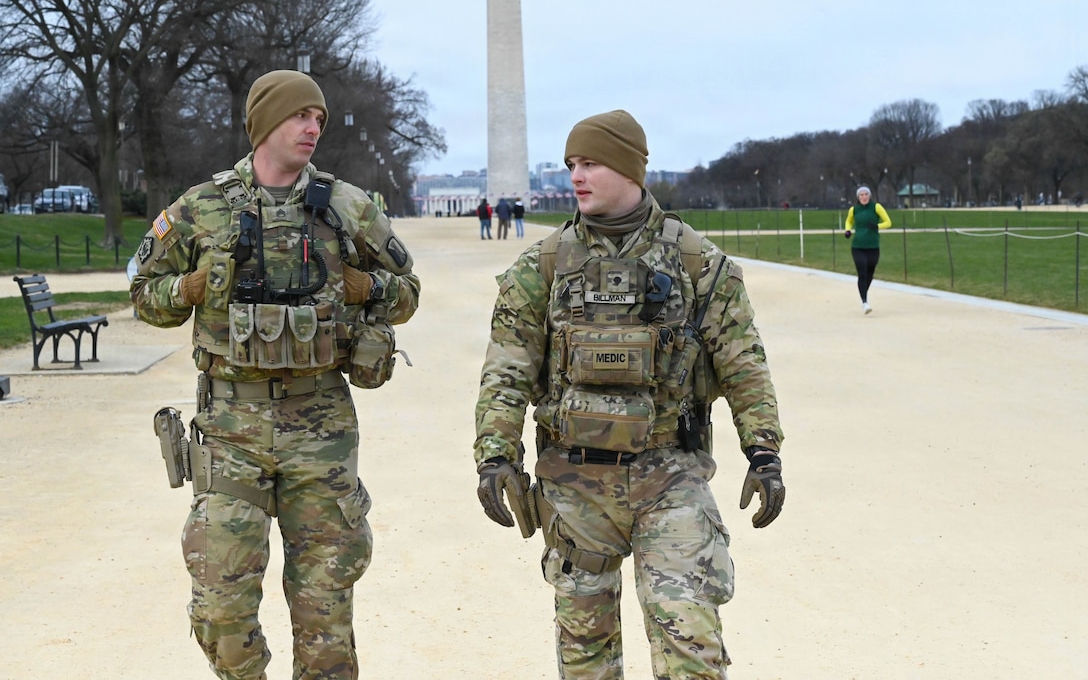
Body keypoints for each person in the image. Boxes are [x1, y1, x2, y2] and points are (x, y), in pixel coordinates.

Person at [473, 109, 786, 679]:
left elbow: (744, 366)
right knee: (585, 657)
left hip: (671, 477)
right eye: (571, 164)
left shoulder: (699, 264)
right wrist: (495, 456)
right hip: (573, 488)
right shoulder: (541, 268)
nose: (576, 175)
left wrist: (764, 453)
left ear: (628, 166)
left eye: (590, 162)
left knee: (692, 649)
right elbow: (506, 371)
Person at [130, 69, 421, 680]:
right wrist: (188, 286)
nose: (313, 127)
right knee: (218, 603)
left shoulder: (348, 206)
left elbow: (408, 293)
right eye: (299, 116)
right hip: (230, 427)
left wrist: (365, 286)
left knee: (326, 610)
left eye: (318, 117)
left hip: (322, 430)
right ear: (264, 124)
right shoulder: (201, 207)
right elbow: (143, 294)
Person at [843, 184, 891, 314]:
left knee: (870, 273)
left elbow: (888, 222)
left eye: (866, 194)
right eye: (861, 195)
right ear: (858, 197)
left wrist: (876, 226)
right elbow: (849, 221)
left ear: (870, 196)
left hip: (873, 246)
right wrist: (848, 230)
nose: (864, 197)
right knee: (862, 272)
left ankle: (864, 292)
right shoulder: (854, 209)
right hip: (858, 246)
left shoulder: (876, 207)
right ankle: (864, 301)